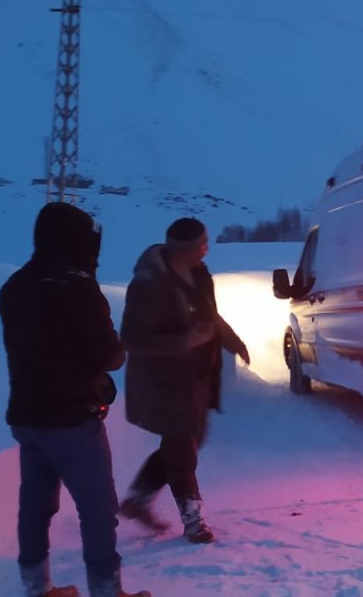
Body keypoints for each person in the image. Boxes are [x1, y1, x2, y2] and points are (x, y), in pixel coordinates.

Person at [0, 202, 150, 597]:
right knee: (98, 509)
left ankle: (37, 588)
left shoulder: (15, 286)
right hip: (71, 420)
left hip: (27, 416)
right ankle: (106, 590)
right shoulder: (78, 287)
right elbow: (110, 356)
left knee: (35, 507)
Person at [119, 217, 249, 544]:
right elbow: (133, 339)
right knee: (181, 449)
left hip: (198, 379)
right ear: (186, 249)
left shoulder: (199, 274)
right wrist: (184, 341)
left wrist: (233, 341)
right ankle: (193, 519)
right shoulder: (149, 283)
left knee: (186, 443)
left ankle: (137, 499)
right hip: (165, 382)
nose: (207, 248)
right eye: (202, 244)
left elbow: (210, 316)